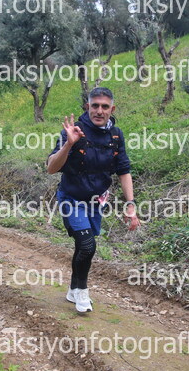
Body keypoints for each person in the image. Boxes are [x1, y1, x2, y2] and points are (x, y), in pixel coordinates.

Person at [47, 87, 140, 313]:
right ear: (87, 106)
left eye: (105, 106)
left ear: (112, 109)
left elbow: (123, 170)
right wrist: (69, 144)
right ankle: (82, 293)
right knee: (88, 245)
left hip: (96, 202)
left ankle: (73, 289)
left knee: (83, 246)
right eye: (95, 106)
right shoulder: (74, 131)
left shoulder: (116, 135)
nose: (99, 111)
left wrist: (130, 205)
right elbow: (51, 168)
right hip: (71, 198)